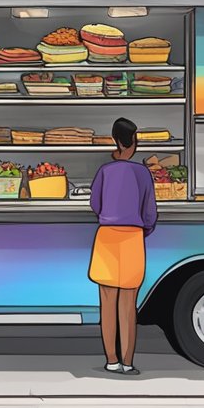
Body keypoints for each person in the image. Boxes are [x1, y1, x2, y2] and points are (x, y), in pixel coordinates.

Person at [88, 117, 157, 376]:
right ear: (133, 143)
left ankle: (111, 360)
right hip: (132, 240)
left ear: (115, 141)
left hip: (107, 238)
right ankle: (128, 363)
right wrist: (142, 230)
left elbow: (95, 204)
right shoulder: (142, 173)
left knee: (107, 304)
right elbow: (150, 212)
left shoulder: (105, 171)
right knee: (128, 305)